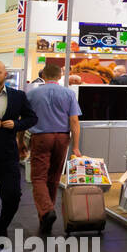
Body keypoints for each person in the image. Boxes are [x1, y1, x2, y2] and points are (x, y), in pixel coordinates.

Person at [26, 63, 82, 236]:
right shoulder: (69, 93)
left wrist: (20, 141)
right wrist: (77, 147)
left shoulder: (32, 93)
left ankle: (47, 211)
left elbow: (25, 119)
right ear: (60, 76)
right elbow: (74, 122)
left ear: (43, 75)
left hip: (41, 137)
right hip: (62, 138)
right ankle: (46, 218)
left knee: (38, 177)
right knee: (54, 177)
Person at [0, 61, 37, 240]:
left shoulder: (18, 96)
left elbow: (32, 118)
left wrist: (17, 124)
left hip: (7, 156)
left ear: (5, 75)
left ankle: (1, 225)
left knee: (13, 195)